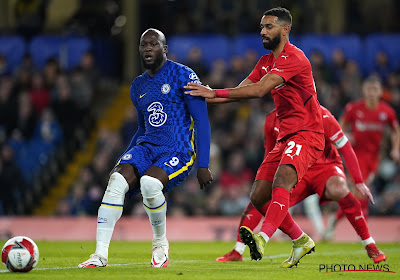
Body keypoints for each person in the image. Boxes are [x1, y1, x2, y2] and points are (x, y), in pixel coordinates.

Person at [185, 7, 325, 262]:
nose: (262, 31)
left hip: (308, 133)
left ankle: (262, 238)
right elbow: (241, 91)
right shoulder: (265, 62)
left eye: (268, 26)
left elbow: (260, 91)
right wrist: (199, 98)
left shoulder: (295, 57)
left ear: (285, 30)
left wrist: (214, 92)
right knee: (259, 196)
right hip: (285, 136)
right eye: (261, 27)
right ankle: (301, 240)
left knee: (283, 178)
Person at [78, 28, 213, 268]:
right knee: (116, 181)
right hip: (147, 146)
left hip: (177, 150)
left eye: (153, 44)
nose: (148, 49)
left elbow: (201, 120)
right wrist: (125, 157)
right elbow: (142, 129)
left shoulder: (184, 75)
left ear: (165, 49)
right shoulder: (138, 86)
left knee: (150, 184)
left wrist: (203, 164)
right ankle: (99, 255)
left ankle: (160, 243)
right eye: (143, 45)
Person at [216, 106, 387, 266]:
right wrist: (263, 181)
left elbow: (345, 146)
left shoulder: (322, 114)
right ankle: (238, 250)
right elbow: (270, 154)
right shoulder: (271, 120)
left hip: (324, 167)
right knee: (259, 200)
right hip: (296, 171)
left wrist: (358, 181)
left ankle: (369, 244)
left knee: (339, 188)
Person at [325, 76, 400, 238]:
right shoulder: (354, 108)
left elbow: (396, 130)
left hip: (374, 159)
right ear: (364, 91)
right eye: (369, 89)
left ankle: (335, 219)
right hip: (356, 157)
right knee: (362, 192)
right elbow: (339, 125)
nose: (372, 92)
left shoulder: (386, 111)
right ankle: (364, 235)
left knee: (357, 195)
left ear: (380, 92)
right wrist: (344, 135)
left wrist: (395, 149)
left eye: (375, 89)